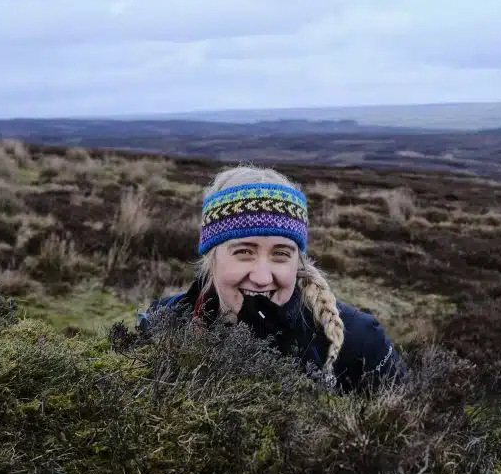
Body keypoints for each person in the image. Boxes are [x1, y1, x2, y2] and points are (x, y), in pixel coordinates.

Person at [137, 165, 407, 394]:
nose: (262, 277)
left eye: (280, 254)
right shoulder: (165, 322)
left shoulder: (359, 342)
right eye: (244, 252)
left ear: (297, 261)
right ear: (212, 256)